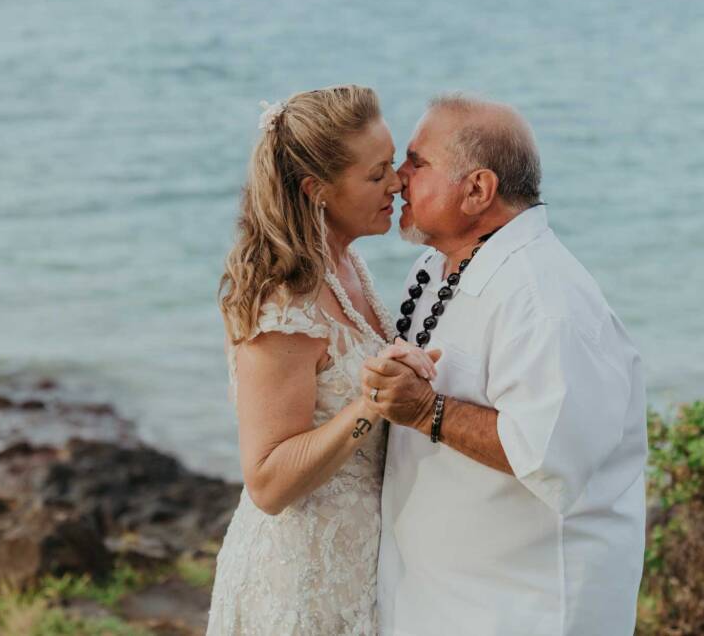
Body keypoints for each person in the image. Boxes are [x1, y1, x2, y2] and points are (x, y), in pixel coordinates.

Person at [363, 94, 648, 635]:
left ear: (477, 189)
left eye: (417, 163)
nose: (398, 179)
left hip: (523, 607)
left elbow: (549, 454)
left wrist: (426, 409)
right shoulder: (435, 266)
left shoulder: (545, 301)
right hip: (441, 598)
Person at [207, 85, 437, 635]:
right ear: (318, 191)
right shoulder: (283, 304)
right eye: (377, 173)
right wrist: (373, 403)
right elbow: (268, 483)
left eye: (393, 165)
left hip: (358, 571)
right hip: (299, 584)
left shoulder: (347, 264)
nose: (398, 182)